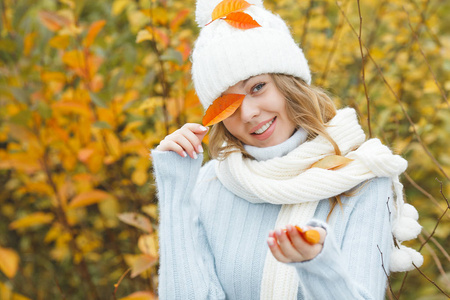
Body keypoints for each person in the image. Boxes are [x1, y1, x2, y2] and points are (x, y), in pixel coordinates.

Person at [151, 0, 423, 299]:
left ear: (289, 84)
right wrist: (176, 189)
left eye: (257, 87)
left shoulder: (362, 178)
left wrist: (316, 264)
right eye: (227, 105)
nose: (248, 113)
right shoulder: (210, 184)